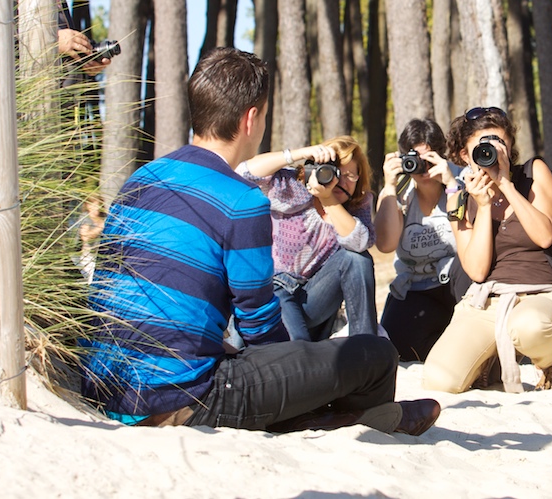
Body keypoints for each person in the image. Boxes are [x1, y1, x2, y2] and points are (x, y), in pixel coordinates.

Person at [81, 49, 439, 436]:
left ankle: (328, 414)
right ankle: (350, 415)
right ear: (251, 118)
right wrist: (303, 368)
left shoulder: (142, 178)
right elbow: (260, 328)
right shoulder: (241, 199)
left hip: (105, 385)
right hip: (180, 398)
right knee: (377, 355)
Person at [422, 107, 552, 393]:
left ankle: (546, 363)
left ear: (510, 145)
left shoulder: (533, 173)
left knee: (530, 327)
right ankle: (490, 360)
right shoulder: (459, 201)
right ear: (465, 154)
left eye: (499, 142)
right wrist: (485, 205)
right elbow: (477, 270)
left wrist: (506, 185)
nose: (492, 151)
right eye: (482, 146)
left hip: (541, 295)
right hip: (488, 300)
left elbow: (544, 236)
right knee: (440, 380)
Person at [237, 136, 378, 341]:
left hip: (313, 298)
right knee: (300, 351)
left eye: (350, 176)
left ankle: (366, 349)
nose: (340, 181)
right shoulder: (293, 188)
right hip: (274, 290)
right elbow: (244, 172)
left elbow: (360, 243)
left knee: (358, 259)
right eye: (335, 171)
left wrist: (327, 199)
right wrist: (299, 153)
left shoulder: (357, 205)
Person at [376, 118, 467, 361]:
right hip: (415, 285)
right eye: (415, 160)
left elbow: (475, 235)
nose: (423, 169)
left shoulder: (461, 178)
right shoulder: (399, 191)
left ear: (442, 155)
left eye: (429, 159)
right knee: (398, 348)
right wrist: (389, 185)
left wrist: (450, 185)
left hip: (458, 280)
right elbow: (385, 245)